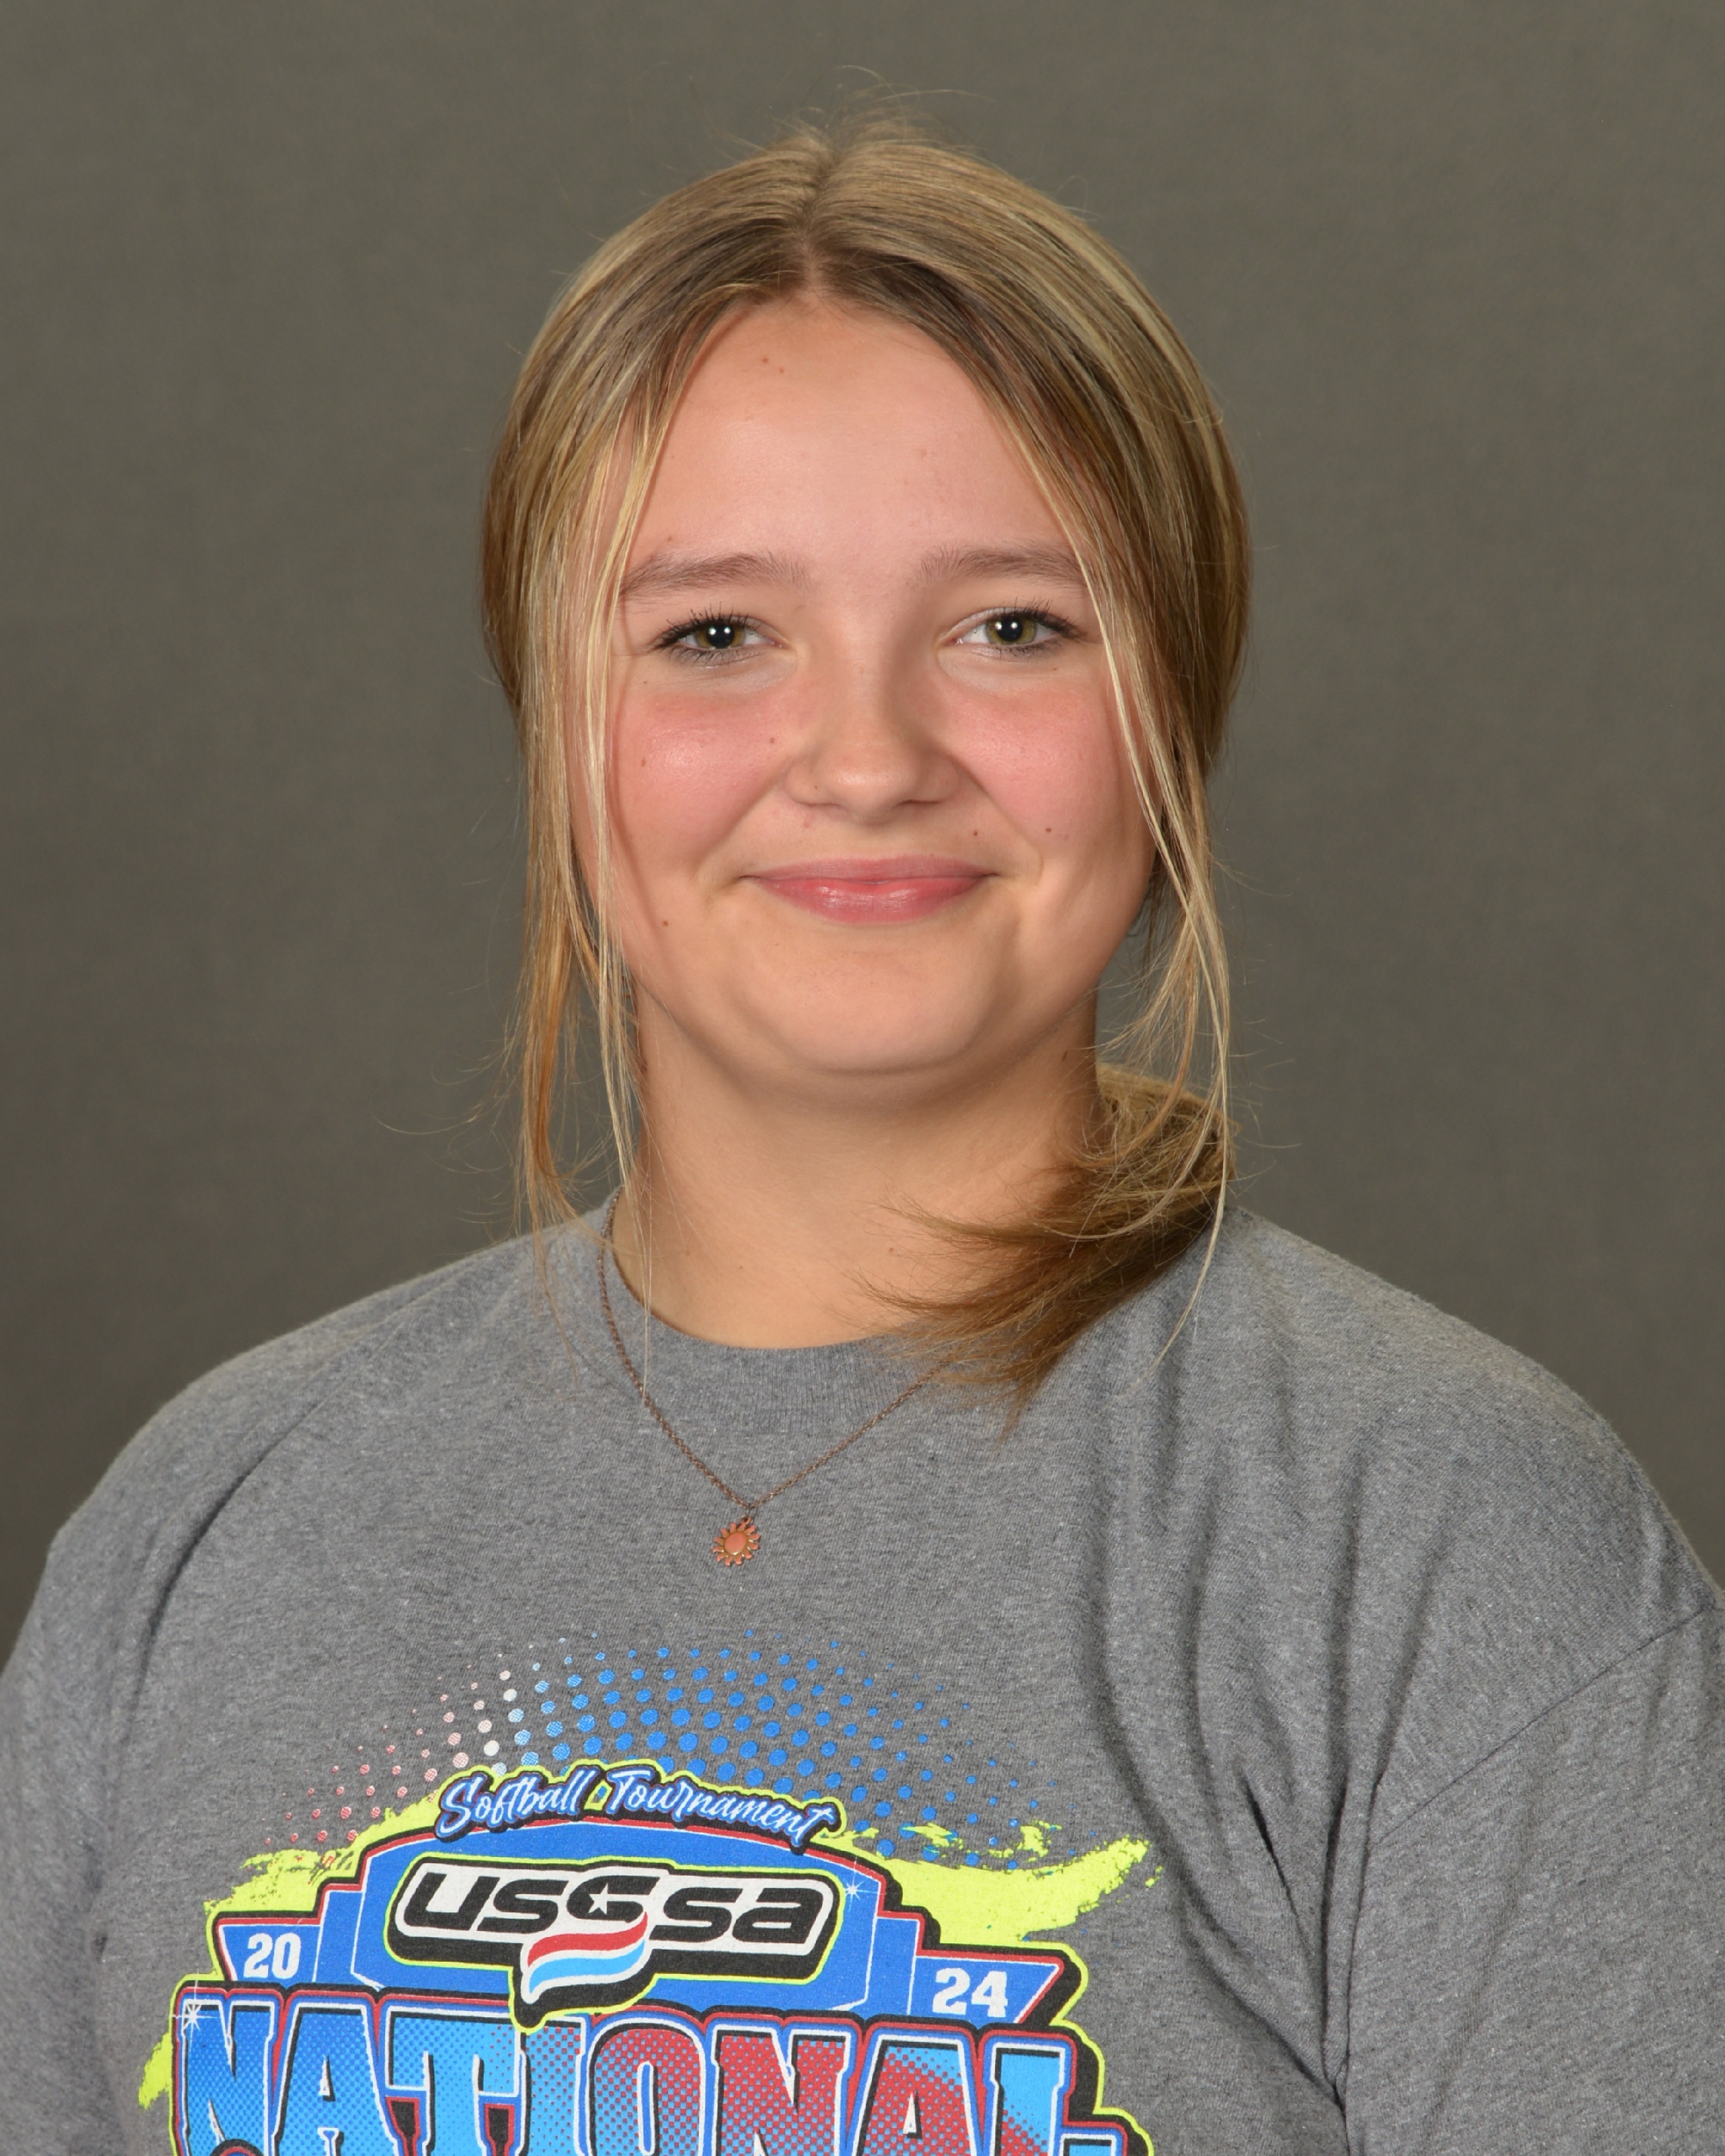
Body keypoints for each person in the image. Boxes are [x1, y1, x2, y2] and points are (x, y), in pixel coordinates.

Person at [2, 116, 1720, 2156]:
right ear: (560, 726)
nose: (869, 759)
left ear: (1170, 710)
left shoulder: (1440, 1551)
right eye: (715, 634)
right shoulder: (205, 1530)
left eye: (1012, 626)